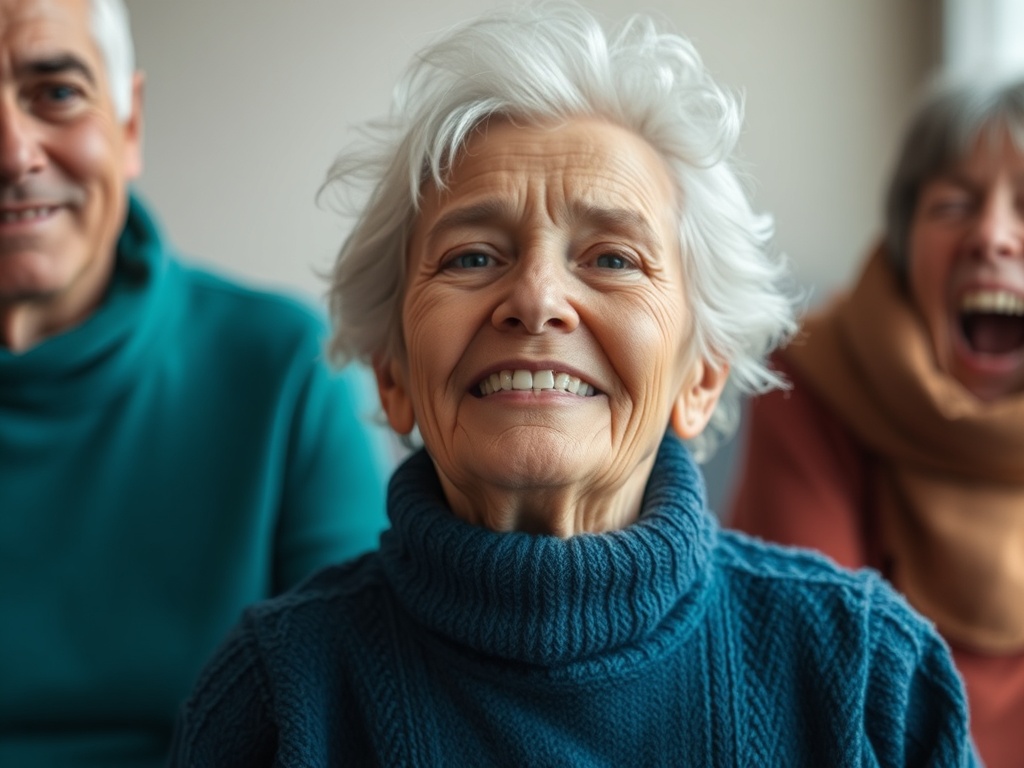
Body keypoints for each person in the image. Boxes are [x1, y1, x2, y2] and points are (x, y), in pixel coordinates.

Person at [170, 4, 977, 766]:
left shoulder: (867, 677)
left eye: (613, 259)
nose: (537, 300)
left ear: (700, 377)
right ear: (393, 373)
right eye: (473, 257)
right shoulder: (276, 699)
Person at [0, 0, 391, 765]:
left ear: (128, 123)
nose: (13, 153)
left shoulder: (285, 371)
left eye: (56, 93)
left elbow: (352, 709)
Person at [728, 74, 1024, 768]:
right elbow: (819, 681)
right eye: (953, 204)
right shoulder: (814, 374)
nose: (991, 236)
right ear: (901, 240)